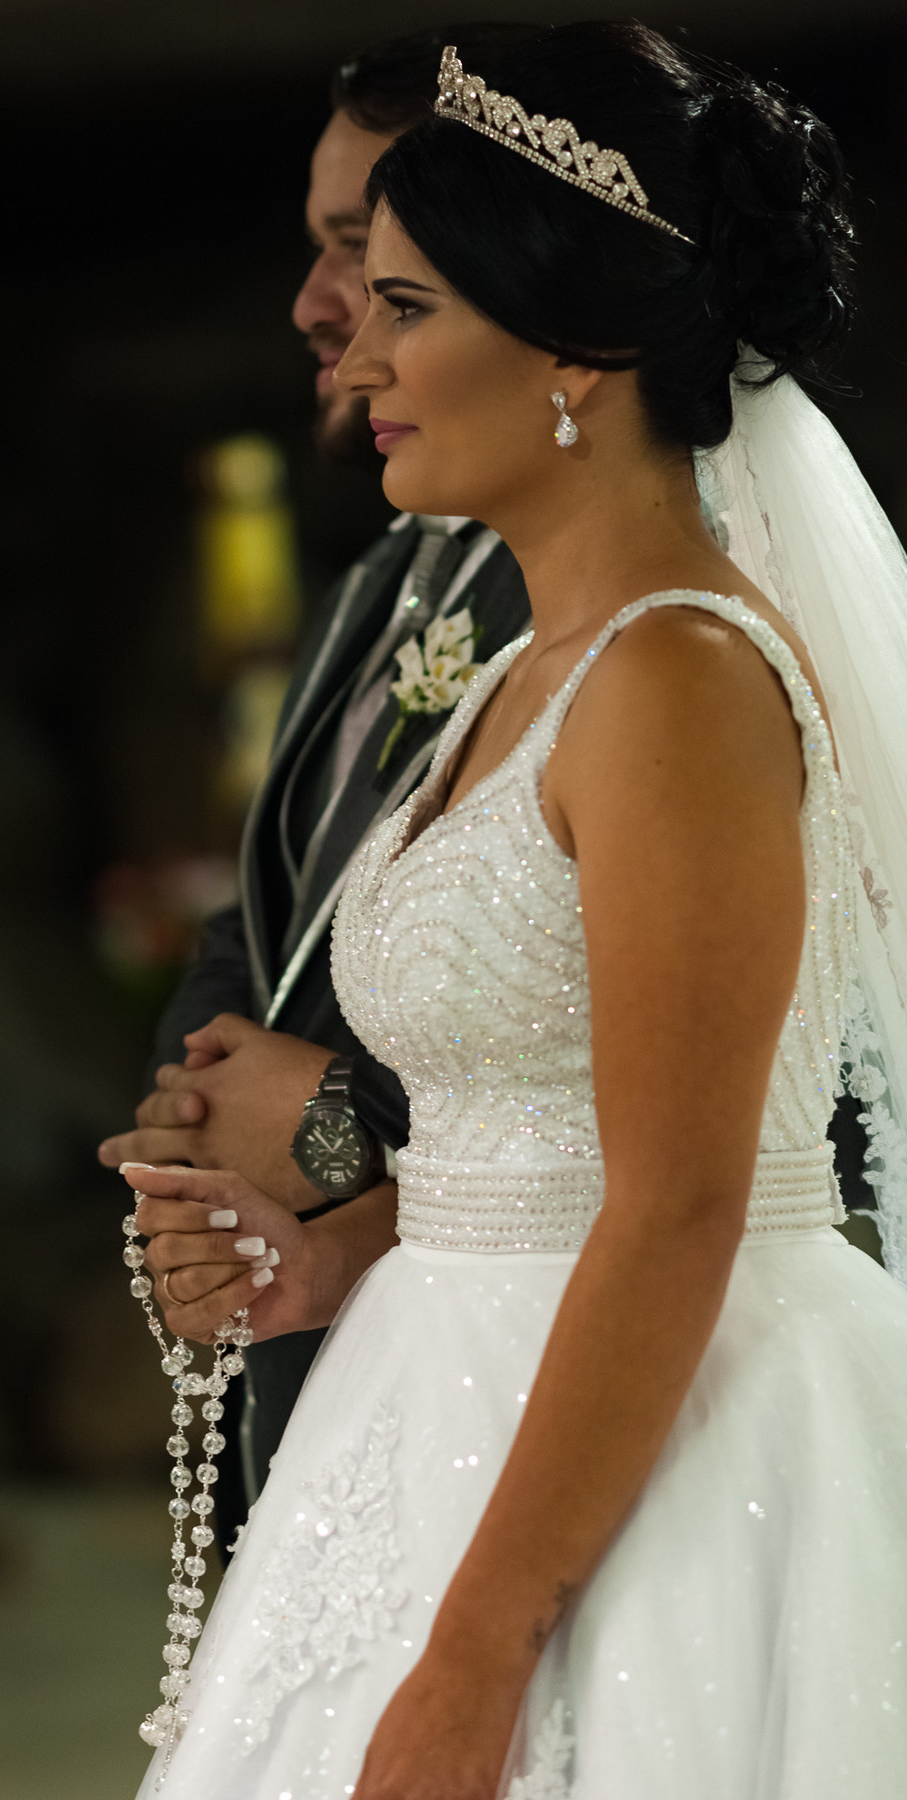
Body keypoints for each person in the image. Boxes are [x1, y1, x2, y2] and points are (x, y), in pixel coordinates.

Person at [124, 20, 907, 1798]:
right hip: (434, 1400)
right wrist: (334, 1254)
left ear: (579, 347)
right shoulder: (522, 678)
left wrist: (479, 1653)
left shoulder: (677, 680)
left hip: (678, 1456)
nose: (360, 356)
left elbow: (688, 1195)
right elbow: (533, 1127)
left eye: (411, 306)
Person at [100, 23, 533, 1542]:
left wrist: (337, 1130)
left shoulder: (646, 630)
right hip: (319, 1373)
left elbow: (754, 1103)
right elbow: (263, 922)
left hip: (515, 1396)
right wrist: (194, 1117)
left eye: (367, 256)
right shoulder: (378, 581)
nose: (316, 307)